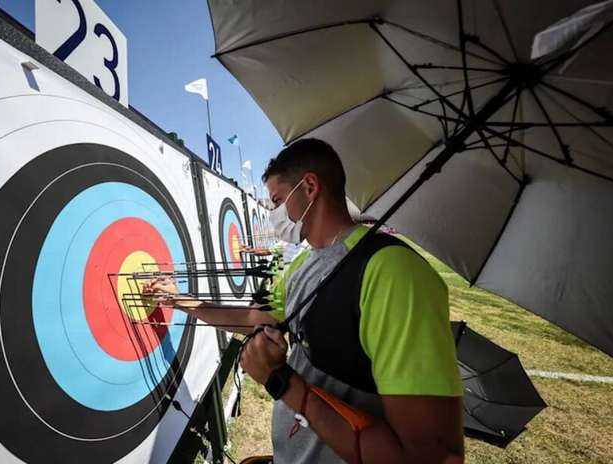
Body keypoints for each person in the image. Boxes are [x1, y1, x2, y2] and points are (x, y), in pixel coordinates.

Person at [146, 138, 464, 463]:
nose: (272, 214)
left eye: (277, 201)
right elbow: (251, 321)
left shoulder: (393, 271)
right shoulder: (302, 264)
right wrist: (179, 300)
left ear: (309, 187)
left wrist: (279, 381)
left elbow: (432, 457)